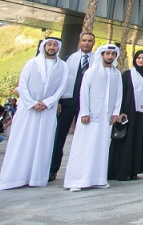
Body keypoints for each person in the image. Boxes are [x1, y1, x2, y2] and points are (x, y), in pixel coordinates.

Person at [0, 37, 68, 190]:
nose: (52, 47)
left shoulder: (62, 66)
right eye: (49, 44)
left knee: (43, 143)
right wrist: (32, 103)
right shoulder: (31, 63)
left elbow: (61, 88)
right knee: (23, 142)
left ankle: (36, 178)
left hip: (47, 111)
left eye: (55, 45)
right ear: (44, 46)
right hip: (28, 110)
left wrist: (47, 103)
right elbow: (23, 85)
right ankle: (14, 178)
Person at [63, 44, 124, 192]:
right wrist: (84, 112)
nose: (110, 56)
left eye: (112, 54)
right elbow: (83, 92)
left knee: (101, 148)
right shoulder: (91, 72)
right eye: (107, 53)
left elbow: (118, 95)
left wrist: (115, 112)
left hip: (106, 118)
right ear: (102, 55)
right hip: (89, 117)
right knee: (84, 147)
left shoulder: (116, 74)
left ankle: (98, 179)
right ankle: (78, 180)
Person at [50, 31, 96, 182]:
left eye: (89, 41)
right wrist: (57, 102)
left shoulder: (97, 60)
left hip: (87, 105)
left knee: (85, 138)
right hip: (67, 103)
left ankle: (82, 170)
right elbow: (58, 82)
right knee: (59, 137)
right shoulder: (68, 59)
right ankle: (52, 169)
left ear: (93, 43)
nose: (86, 43)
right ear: (80, 42)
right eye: (84, 40)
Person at [108, 49, 143, 181]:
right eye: (138, 58)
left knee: (138, 140)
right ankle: (123, 169)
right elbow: (122, 93)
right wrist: (121, 111)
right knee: (127, 141)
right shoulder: (128, 74)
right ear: (135, 59)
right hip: (129, 112)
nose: (141, 60)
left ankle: (134, 169)